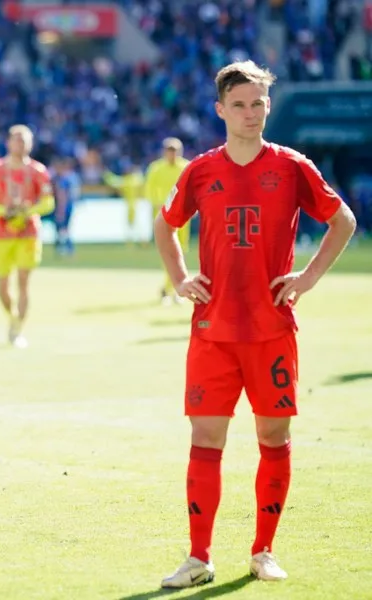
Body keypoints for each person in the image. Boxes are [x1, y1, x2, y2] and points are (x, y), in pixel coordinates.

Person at [156, 60, 356, 588]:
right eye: (239, 104)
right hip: (213, 332)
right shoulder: (201, 170)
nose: (250, 113)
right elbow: (165, 224)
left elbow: (343, 220)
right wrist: (180, 278)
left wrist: (308, 277)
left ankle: (263, 551)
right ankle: (198, 558)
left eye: (258, 103)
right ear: (220, 110)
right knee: (205, 438)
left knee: (273, 435)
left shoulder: (292, 166)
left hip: (271, 330)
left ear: (269, 106)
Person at [0, 125, 55, 348]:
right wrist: (4, 211)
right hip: (2, 234)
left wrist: (27, 211)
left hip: (28, 234)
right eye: (16, 140)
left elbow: (48, 202)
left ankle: (18, 330)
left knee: (23, 282)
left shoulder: (38, 170)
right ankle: (13, 318)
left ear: (30, 144)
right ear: (8, 142)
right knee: (2, 287)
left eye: (24, 141)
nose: (20, 144)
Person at [145, 137, 189, 303]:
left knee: (180, 251)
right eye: (170, 151)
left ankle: (171, 289)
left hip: (183, 215)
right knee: (169, 251)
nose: (172, 154)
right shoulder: (156, 168)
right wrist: (158, 205)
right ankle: (173, 289)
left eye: (175, 151)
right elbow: (149, 190)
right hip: (164, 216)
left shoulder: (186, 167)